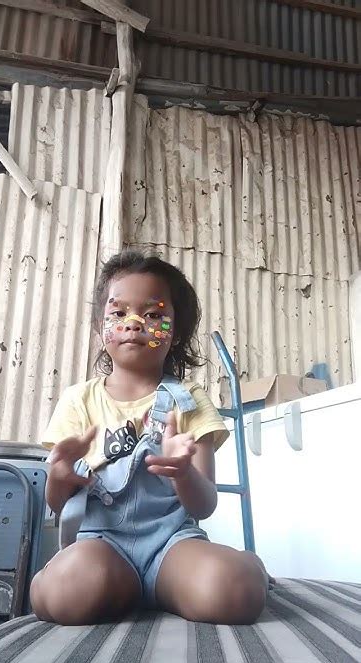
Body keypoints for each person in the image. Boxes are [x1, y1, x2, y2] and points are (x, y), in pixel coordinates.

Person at [30, 251, 268, 625]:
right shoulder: (78, 401)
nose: (134, 323)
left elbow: (205, 505)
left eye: (154, 315)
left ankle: (249, 566)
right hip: (101, 546)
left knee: (236, 590)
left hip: (172, 547)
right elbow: (57, 504)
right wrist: (59, 478)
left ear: (176, 332)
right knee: (68, 593)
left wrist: (183, 474)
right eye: (119, 312)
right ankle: (61, 581)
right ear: (100, 325)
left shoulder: (189, 400)